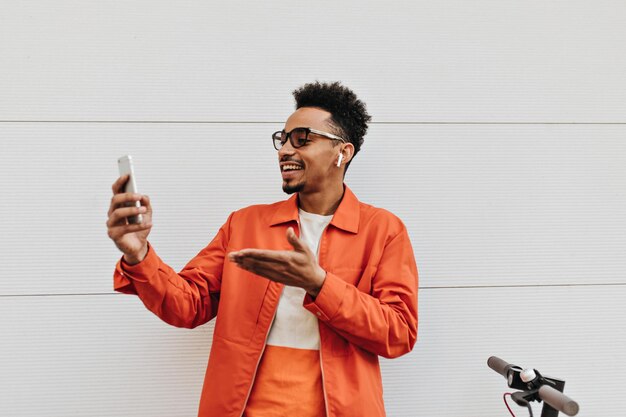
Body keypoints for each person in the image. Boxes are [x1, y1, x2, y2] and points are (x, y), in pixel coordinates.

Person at [107, 81, 418, 417]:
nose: (285, 150)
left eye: (301, 139)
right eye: (282, 139)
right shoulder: (245, 225)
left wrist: (320, 284)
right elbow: (187, 305)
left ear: (342, 152)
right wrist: (138, 255)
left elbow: (398, 333)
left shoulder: (383, 231)